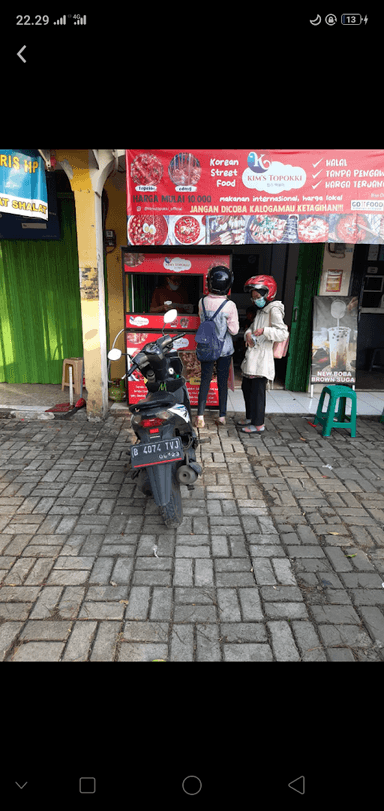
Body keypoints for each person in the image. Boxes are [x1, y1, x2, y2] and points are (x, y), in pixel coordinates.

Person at [239, 275, 288, 434]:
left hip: (262, 359)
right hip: (253, 358)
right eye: (253, 296)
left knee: (257, 394)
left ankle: (258, 424)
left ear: (268, 292)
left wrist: (265, 331)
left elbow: (282, 333)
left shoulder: (273, 309)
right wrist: (248, 333)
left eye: (257, 296)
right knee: (247, 389)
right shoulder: (261, 310)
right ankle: (250, 417)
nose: (255, 299)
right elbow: (252, 328)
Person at [195, 266, 239, 429]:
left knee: (204, 380)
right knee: (222, 382)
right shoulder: (230, 305)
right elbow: (234, 330)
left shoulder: (202, 302)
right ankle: (221, 416)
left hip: (206, 347)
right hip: (224, 350)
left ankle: (200, 416)